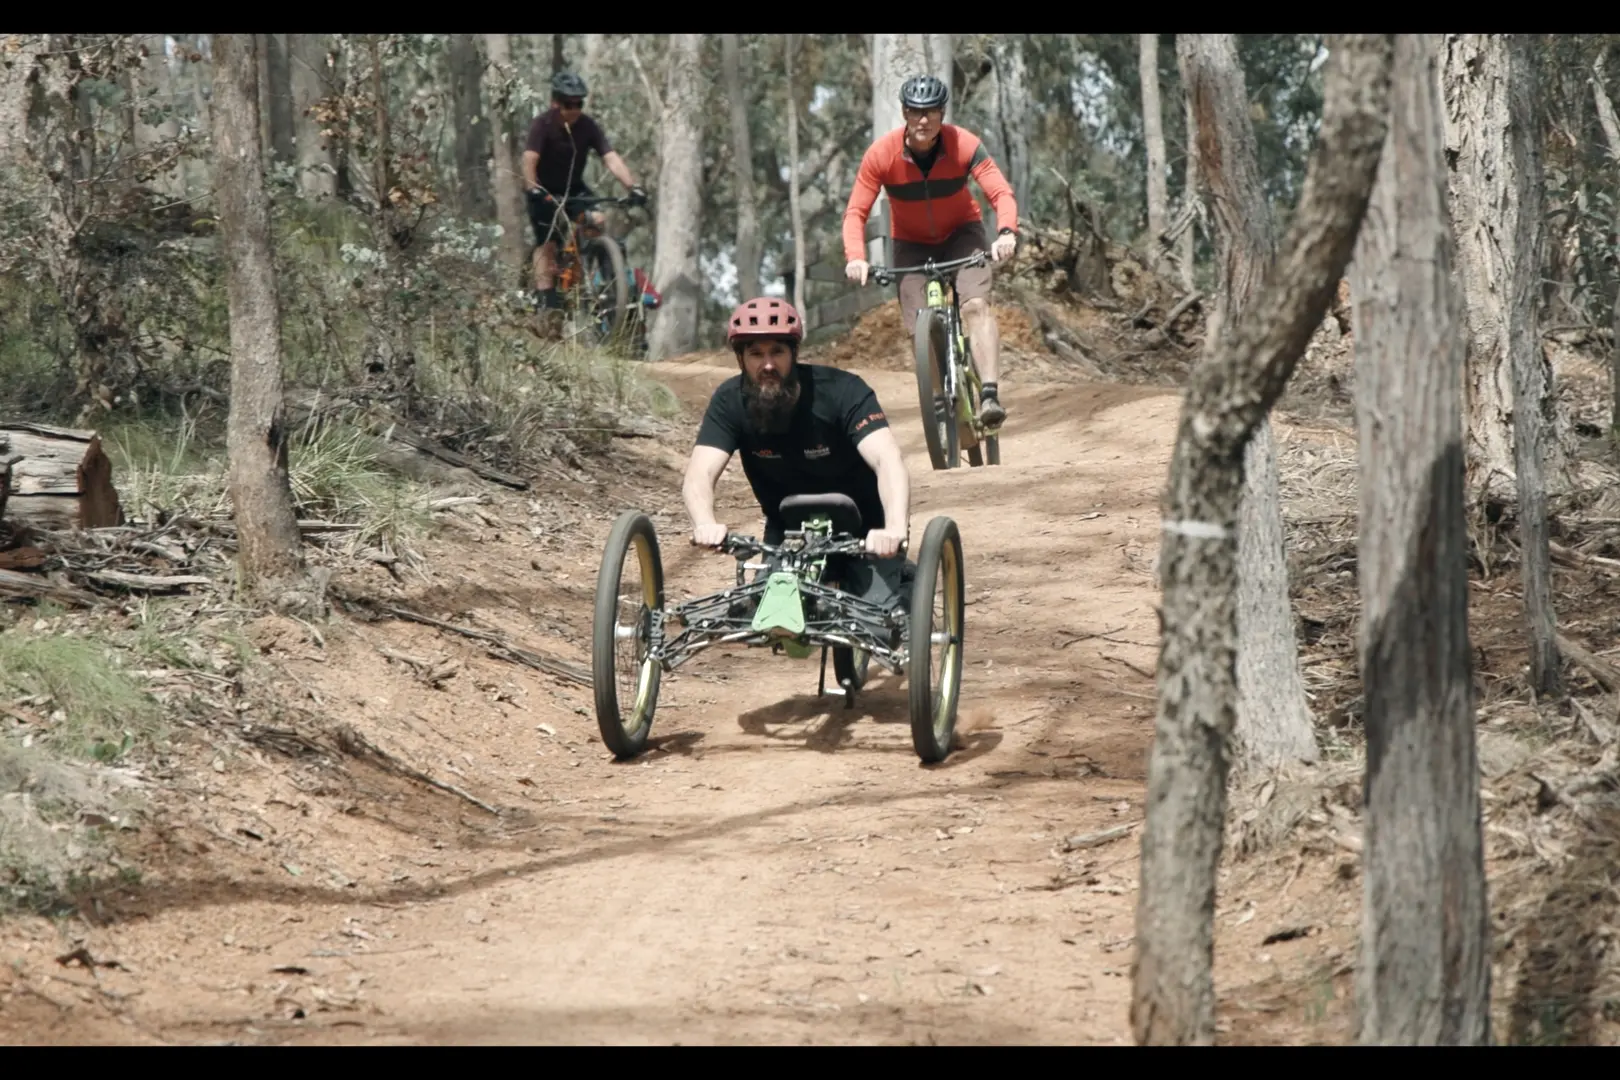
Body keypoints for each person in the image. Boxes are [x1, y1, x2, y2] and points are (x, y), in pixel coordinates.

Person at [683, 297, 914, 614]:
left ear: (794, 354)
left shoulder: (842, 391)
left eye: (777, 352)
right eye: (755, 354)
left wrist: (894, 529)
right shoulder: (729, 401)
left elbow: (887, 460)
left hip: (867, 530)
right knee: (773, 614)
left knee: (876, 621)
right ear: (740, 359)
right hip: (788, 532)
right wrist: (704, 522)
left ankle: (902, 580)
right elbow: (701, 473)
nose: (767, 365)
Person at [841, 73, 1019, 428]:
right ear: (905, 113)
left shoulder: (965, 145)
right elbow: (856, 212)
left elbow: (1000, 193)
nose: (923, 120)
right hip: (911, 244)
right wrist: (856, 257)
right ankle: (937, 398)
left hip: (961, 235)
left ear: (942, 113)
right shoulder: (881, 155)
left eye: (932, 112)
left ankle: (988, 395)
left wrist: (1005, 233)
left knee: (975, 305)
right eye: (915, 112)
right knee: (918, 323)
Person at [522, 71, 647, 309]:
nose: (574, 109)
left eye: (579, 103)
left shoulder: (587, 126)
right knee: (547, 244)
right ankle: (546, 299)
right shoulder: (542, 124)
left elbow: (610, 158)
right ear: (555, 103)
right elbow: (529, 159)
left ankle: (606, 275)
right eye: (568, 104)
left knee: (598, 220)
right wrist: (532, 189)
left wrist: (633, 187)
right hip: (542, 189)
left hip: (574, 188)